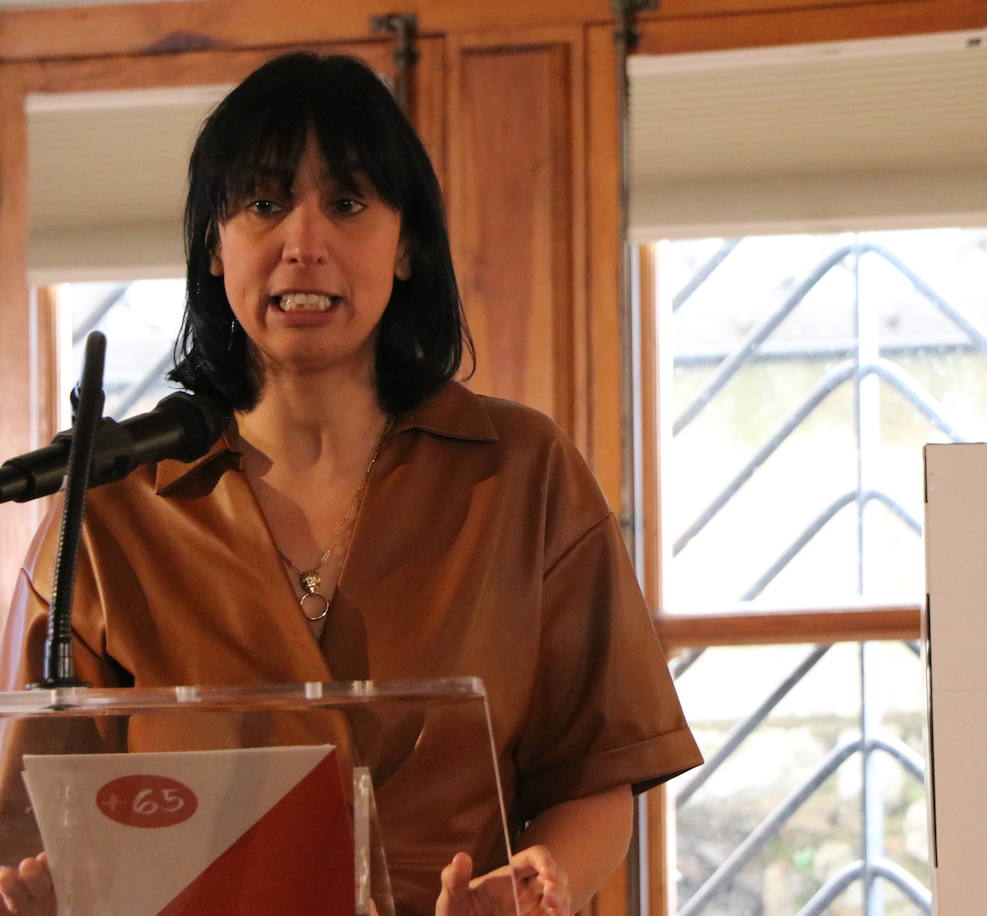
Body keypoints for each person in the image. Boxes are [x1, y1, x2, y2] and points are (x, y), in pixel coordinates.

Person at [0, 52, 700, 916]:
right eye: (263, 204)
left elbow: (600, 774)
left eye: (347, 203)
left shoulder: (521, 470)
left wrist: (535, 889)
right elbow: (36, 822)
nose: (305, 244)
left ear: (405, 245)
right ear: (214, 249)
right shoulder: (109, 507)